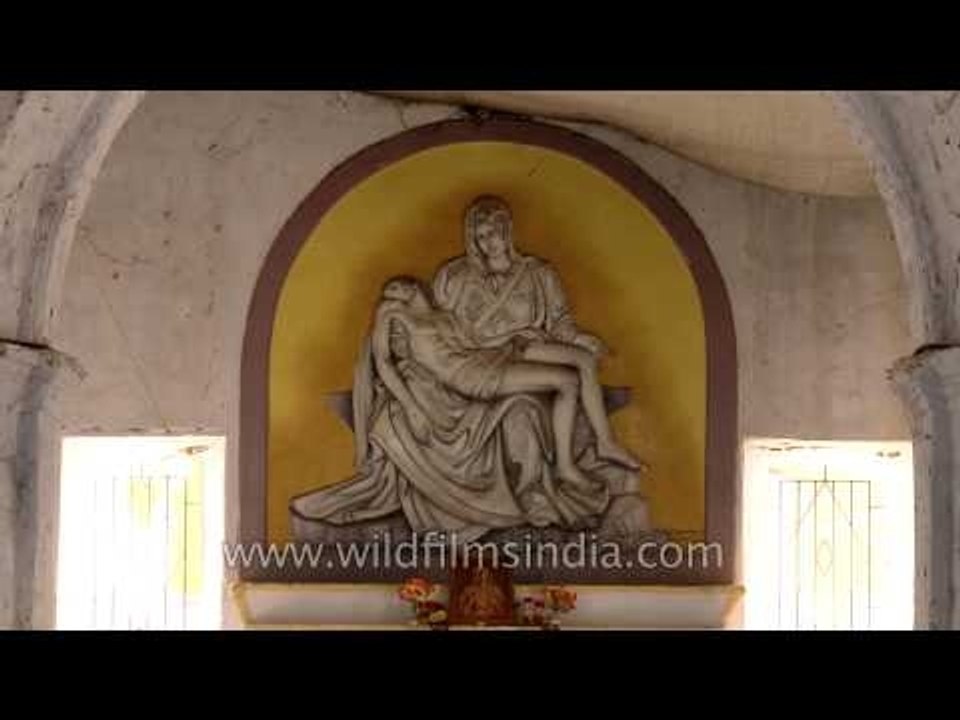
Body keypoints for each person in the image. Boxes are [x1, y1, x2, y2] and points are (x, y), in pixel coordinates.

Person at [374, 276, 640, 492]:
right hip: (470, 375)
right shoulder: (396, 317)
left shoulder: (445, 317)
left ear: (413, 285)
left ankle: (606, 441)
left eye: (395, 286)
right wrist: (411, 407)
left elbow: (476, 344)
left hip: (485, 355)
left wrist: (514, 334)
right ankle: (566, 467)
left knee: (583, 358)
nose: (391, 294)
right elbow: (383, 363)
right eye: (388, 293)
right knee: (567, 381)